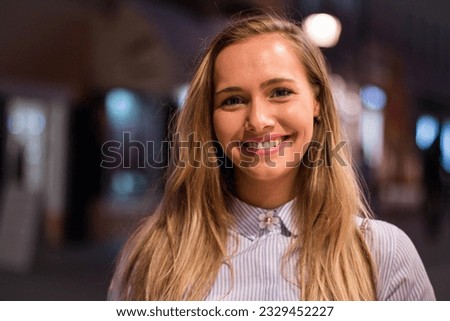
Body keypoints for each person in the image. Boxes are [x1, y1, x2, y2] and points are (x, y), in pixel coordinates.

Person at [109, 13, 435, 301]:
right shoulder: (154, 256)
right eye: (233, 100)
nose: (259, 120)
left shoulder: (382, 254)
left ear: (317, 102)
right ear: (209, 119)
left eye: (280, 92)